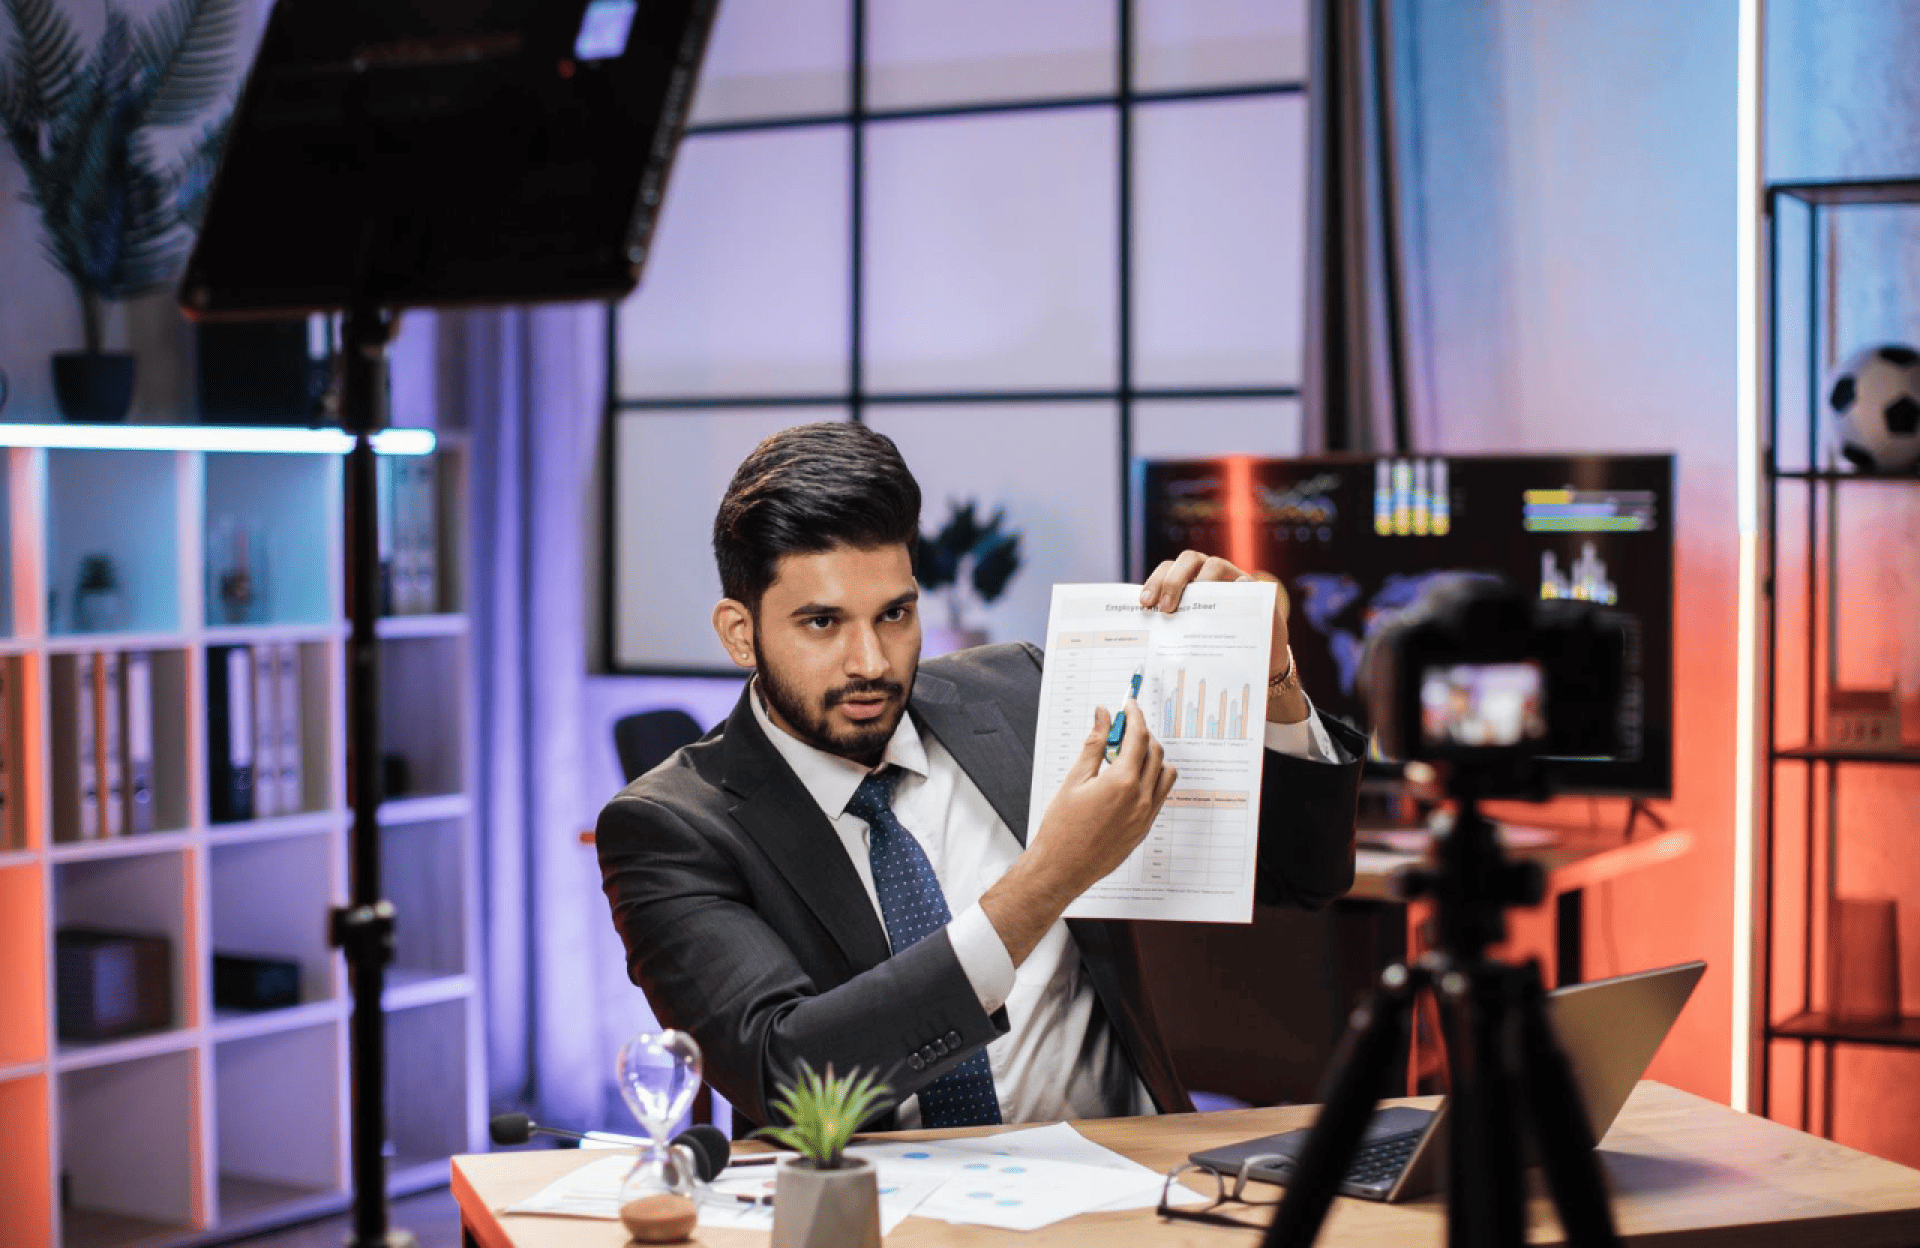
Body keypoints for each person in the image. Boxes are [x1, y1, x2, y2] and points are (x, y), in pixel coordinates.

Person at [596, 423, 1364, 1132]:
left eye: (894, 615)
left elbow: (1304, 875)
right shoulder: (668, 827)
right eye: (823, 623)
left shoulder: (1022, 694)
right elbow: (789, 1076)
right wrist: (1049, 879)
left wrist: (1270, 679)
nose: (870, 661)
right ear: (741, 632)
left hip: (1125, 1180)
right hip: (878, 1214)